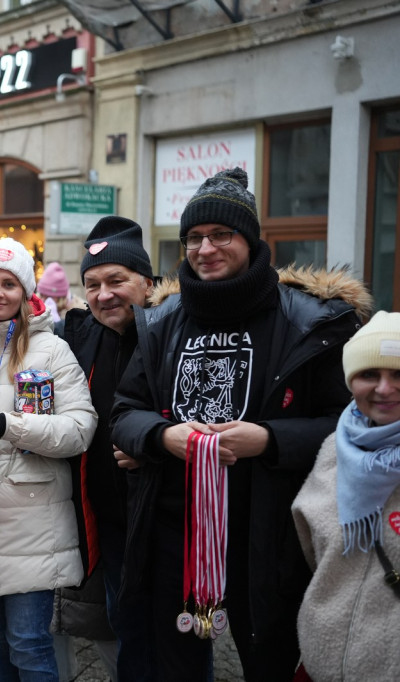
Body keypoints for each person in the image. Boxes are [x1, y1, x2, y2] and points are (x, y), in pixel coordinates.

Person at [110, 167, 368, 681]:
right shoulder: (163, 321)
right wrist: (163, 436)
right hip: (174, 530)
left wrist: (269, 440)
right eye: (194, 238)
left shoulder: (308, 320)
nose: (205, 248)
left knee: (269, 663)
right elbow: (124, 410)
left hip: (267, 533)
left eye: (221, 234)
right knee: (176, 666)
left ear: (249, 240)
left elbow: (348, 424)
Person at [0, 237, 98, 681]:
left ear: (26, 293)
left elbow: (81, 429)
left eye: (9, 284)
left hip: (33, 520)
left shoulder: (52, 350)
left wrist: (12, 426)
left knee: (29, 644)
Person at [59, 216, 156, 681]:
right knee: (124, 621)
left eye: (116, 280)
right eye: (92, 284)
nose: (103, 294)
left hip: (163, 513)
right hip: (108, 517)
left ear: (147, 282)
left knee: (172, 636)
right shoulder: (82, 336)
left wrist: (152, 447)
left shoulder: (169, 333)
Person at [292, 311, 400, 680]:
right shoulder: (333, 450)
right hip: (322, 665)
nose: (384, 389)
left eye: (399, 374)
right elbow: (313, 552)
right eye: (370, 374)